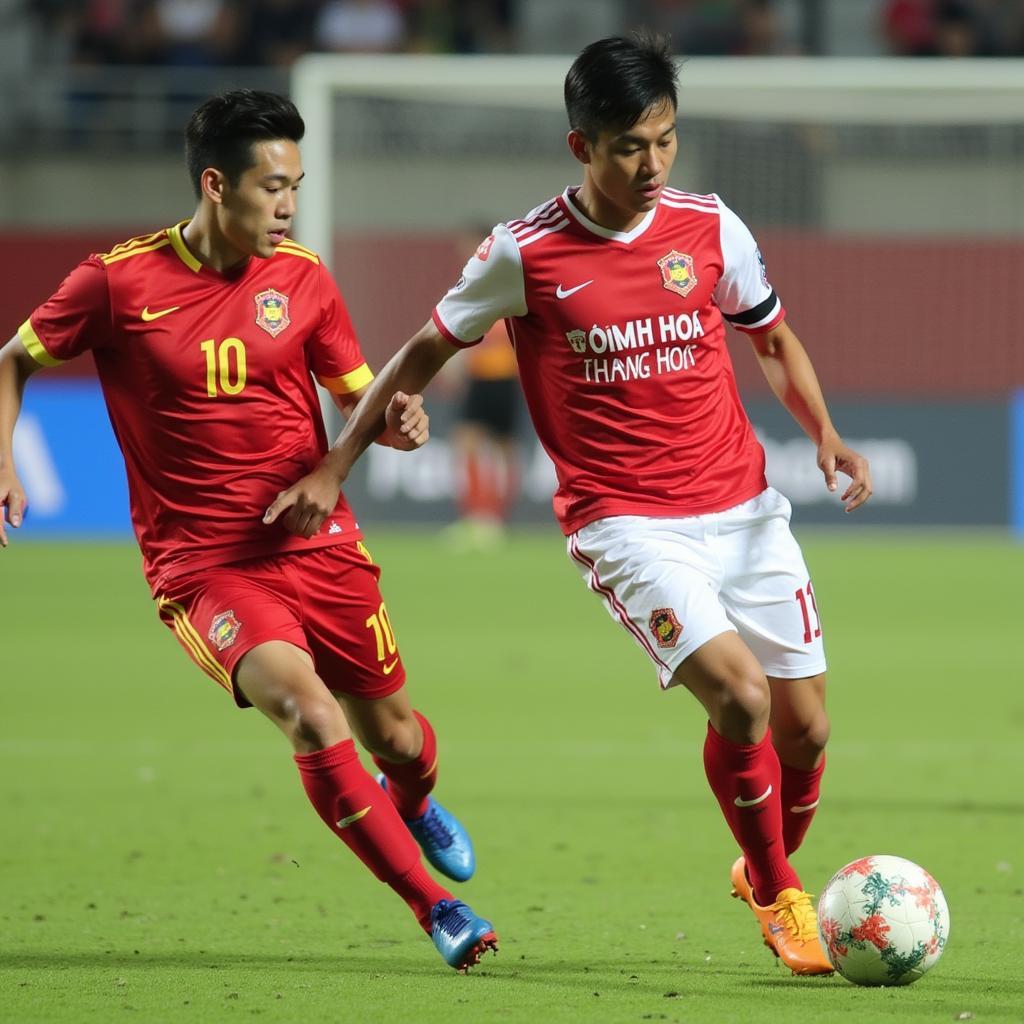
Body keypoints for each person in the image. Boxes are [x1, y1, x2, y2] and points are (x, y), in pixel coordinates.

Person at [264, 33, 874, 976]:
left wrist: (825, 432)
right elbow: (422, 352)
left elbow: (774, 339)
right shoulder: (526, 252)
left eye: (665, 140)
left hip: (746, 510)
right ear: (580, 146)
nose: (652, 163)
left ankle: (765, 866)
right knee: (743, 700)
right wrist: (339, 461)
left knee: (807, 730)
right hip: (627, 523)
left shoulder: (712, 227)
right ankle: (778, 888)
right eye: (630, 145)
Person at [0, 89, 498, 973]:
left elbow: (359, 395)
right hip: (204, 567)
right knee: (308, 714)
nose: (289, 206)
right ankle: (437, 908)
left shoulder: (304, 278)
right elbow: (13, 361)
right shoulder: (117, 283)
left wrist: (398, 419)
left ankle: (414, 799)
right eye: (273, 187)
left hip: (317, 542)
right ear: (215, 183)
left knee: (397, 736)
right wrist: (3, 461)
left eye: (296, 186)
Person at [443, 226, 522, 549]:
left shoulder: (507, 280)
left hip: (505, 377)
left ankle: (495, 519)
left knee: (504, 450)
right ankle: (475, 516)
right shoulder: (467, 284)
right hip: (479, 378)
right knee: (467, 444)